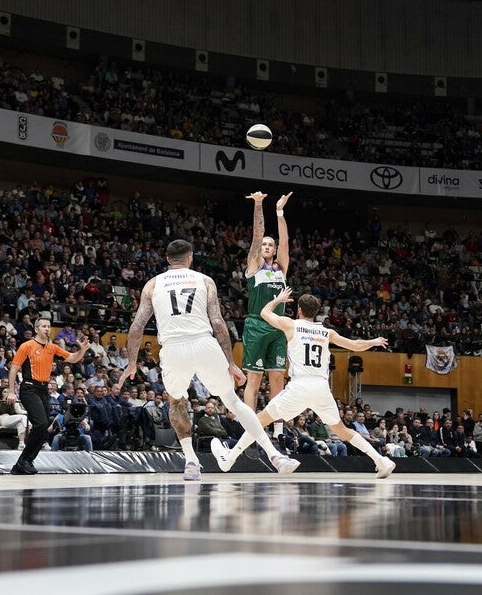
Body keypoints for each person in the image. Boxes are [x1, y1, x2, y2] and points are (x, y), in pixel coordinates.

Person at [119, 239, 299, 480]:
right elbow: (217, 323)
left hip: (173, 349)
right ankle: (274, 455)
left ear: (167, 258)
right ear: (191, 257)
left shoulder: (152, 284)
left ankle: (191, 462)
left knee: (177, 403)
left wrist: (132, 361)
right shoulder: (204, 280)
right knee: (233, 402)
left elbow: (138, 325)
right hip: (204, 343)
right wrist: (231, 362)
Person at [211, 287, 395, 478]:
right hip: (321, 387)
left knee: (258, 421)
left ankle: (230, 457)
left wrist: (279, 299)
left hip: (299, 386)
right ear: (316, 312)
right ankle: (380, 460)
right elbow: (355, 345)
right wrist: (373, 341)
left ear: (299, 309)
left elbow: (264, 313)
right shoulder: (326, 332)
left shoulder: (291, 325)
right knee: (342, 430)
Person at [5, 316, 89, 475]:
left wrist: (82, 350)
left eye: (49, 326)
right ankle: (24, 461)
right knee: (41, 423)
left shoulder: (52, 347)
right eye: (43, 326)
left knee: (45, 428)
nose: (47, 329)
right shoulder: (27, 346)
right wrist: (11, 391)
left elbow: (72, 358)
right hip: (29, 388)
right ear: (36, 329)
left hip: (44, 390)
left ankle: (25, 462)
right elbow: (14, 369)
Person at [241, 191, 292, 440]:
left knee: (278, 380)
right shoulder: (254, 266)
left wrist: (280, 212)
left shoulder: (281, 268)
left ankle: (279, 430)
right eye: (265, 245)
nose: (268, 247)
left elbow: (285, 241)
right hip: (256, 326)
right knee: (254, 380)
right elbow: (257, 235)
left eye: (270, 245)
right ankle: (250, 430)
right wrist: (259, 205)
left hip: (278, 327)